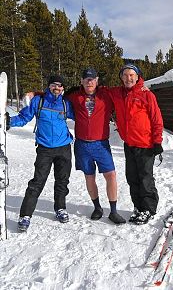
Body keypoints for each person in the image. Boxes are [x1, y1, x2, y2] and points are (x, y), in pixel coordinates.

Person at [7, 75, 74, 231]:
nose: (56, 88)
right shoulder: (39, 101)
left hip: (64, 148)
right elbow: (24, 117)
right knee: (37, 182)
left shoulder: (66, 104)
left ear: (63, 88)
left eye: (60, 85)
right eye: (53, 85)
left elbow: (83, 116)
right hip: (44, 149)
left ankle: (60, 208)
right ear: (48, 86)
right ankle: (25, 215)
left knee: (62, 181)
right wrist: (8, 121)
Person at [65, 69, 126, 225]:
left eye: (92, 79)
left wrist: (143, 87)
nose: (89, 82)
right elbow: (54, 96)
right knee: (89, 177)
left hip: (101, 144)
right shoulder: (74, 96)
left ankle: (113, 211)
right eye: (86, 79)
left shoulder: (106, 94)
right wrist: (36, 94)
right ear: (81, 81)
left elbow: (125, 90)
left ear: (97, 80)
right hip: (82, 144)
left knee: (111, 175)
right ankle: (97, 208)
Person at [108, 64, 164, 225]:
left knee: (145, 178)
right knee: (132, 178)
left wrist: (157, 141)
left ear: (138, 76)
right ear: (121, 77)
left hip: (146, 145)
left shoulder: (147, 95)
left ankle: (148, 209)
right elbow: (97, 89)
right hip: (129, 144)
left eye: (131, 75)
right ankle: (138, 207)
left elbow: (156, 119)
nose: (128, 78)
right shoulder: (117, 94)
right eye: (125, 75)